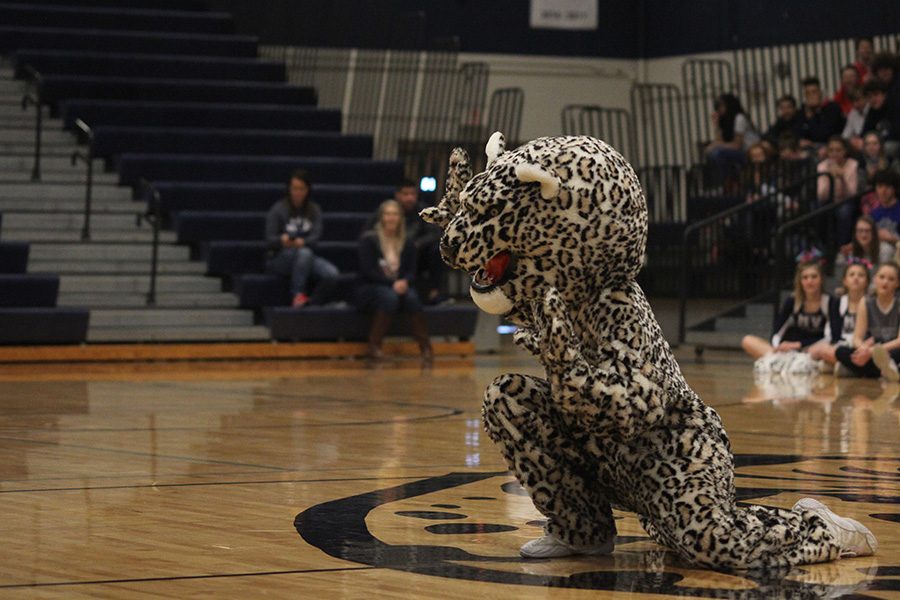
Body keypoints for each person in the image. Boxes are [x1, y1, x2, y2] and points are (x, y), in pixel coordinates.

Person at [357, 199, 432, 365]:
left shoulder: (408, 242)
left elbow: (412, 271)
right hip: (372, 286)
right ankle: (374, 346)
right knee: (389, 297)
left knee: (412, 298)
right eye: (388, 214)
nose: (391, 218)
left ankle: (425, 346)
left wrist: (404, 281)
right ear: (381, 217)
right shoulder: (369, 240)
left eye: (395, 214)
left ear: (400, 218)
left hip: (399, 285)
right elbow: (367, 271)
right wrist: (391, 284)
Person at [363, 180, 446, 304]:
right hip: (387, 257)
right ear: (397, 195)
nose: (410, 198)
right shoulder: (384, 211)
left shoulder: (422, 211)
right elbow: (368, 236)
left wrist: (416, 244)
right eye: (405, 194)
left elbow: (435, 233)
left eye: (413, 194)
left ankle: (435, 291)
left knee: (437, 249)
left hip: (414, 255)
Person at [265, 169, 339, 308]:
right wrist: (282, 240)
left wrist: (303, 242)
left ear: (307, 190)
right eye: (294, 188)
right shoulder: (278, 209)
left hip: (306, 256)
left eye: (301, 189)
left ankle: (311, 304)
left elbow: (316, 237)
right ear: (289, 189)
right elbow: (269, 239)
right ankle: (297, 295)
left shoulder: (314, 210)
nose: (297, 192)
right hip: (280, 257)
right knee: (304, 253)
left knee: (331, 274)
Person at [741, 261, 832, 359]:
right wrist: (778, 347)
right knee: (747, 340)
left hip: (811, 349)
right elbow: (777, 332)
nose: (809, 281)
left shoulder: (830, 302)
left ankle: (788, 362)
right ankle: (781, 361)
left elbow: (831, 337)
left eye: (814, 277)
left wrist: (799, 344)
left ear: (821, 279)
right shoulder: (792, 301)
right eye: (805, 277)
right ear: (800, 281)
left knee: (823, 350)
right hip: (788, 350)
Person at [834, 262, 900, 380]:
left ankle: (859, 371)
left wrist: (873, 352)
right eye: (882, 277)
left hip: (891, 350)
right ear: (875, 279)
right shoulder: (865, 302)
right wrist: (864, 349)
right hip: (871, 352)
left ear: (897, 283)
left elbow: (899, 341)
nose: (885, 282)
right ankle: (885, 371)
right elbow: (857, 338)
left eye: (891, 279)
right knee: (840, 352)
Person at [810, 262, 870, 367]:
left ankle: (843, 366)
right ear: (845, 281)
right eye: (852, 275)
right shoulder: (837, 303)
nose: (856, 278)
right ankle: (846, 366)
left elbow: (873, 334)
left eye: (861, 275)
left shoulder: (870, 303)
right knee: (815, 350)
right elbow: (834, 334)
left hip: (863, 346)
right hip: (842, 346)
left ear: (867, 282)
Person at [704, 93, 760, 178]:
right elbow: (720, 141)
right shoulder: (726, 121)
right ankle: (726, 179)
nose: (719, 108)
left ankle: (730, 179)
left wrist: (716, 145)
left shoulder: (739, 118)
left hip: (749, 151)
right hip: (738, 151)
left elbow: (737, 145)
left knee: (717, 153)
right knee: (712, 153)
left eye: (721, 105)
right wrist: (716, 125)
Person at [798, 77, 846, 156]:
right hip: (810, 148)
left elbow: (824, 135)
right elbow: (799, 133)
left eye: (814, 92)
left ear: (820, 92)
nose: (811, 96)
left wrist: (810, 118)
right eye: (807, 93)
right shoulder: (802, 112)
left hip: (831, 146)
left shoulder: (832, 108)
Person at [861, 79, 900, 158]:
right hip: (877, 144)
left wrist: (877, 143)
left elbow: (897, 132)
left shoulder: (895, 107)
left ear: (884, 95)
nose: (872, 99)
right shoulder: (871, 111)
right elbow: (865, 132)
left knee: (886, 148)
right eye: (869, 96)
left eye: (876, 95)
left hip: (894, 143)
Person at [869, 169, 900, 263]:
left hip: (896, 250)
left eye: (887, 187)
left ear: (894, 188)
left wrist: (893, 239)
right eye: (880, 186)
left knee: (885, 249)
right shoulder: (873, 212)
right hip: (876, 248)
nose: (883, 190)